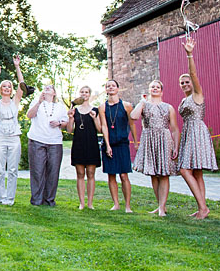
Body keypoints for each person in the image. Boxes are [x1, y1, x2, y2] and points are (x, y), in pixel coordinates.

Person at [176, 38, 218, 219]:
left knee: (185, 170)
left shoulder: (197, 95)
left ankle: (203, 207)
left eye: (187, 82)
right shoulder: (183, 100)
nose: (185, 84)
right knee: (197, 172)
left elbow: (193, 75)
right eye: (182, 83)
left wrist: (189, 55)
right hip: (187, 132)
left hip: (197, 131)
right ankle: (202, 207)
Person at [130, 80, 179, 217]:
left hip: (164, 139)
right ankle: (159, 205)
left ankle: (162, 207)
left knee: (164, 174)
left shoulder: (168, 107)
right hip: (149, 139)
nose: (155, 89)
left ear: (162, 91)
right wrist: (142, 101)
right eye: (152, 87)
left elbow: (174, 129)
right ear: (149, 90)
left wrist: (176, 146)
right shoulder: (145, 105)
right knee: (153, 174)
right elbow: (133, 117)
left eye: (157, 87)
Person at [26, 84, 68, 207]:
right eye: (45, 87)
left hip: (55, 142)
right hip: (37, 140)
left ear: (54, 93)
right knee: (37, 171)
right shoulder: (36, 101)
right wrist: (39, 102)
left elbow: (66, 122)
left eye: (50, 87)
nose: (47, 88)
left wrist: (59, 123)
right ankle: (36, 200)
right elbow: (29, 115)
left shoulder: (60, 106)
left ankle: (49, 200)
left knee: (53, 172)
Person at [0, 56, 25, 205]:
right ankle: (1, 197)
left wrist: (17, 66)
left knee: (12, 170)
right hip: (0, 137)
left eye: (8, 87)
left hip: (14, 137)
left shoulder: (15, 101)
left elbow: (22, 85)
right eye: (4, 86)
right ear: (1, 89)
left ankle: (10, 198)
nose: (6, 88)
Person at [98, 80, 136, 212]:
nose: (111, 88)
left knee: (124, 175)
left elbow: (131, 124)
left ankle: (127, 206)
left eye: (113, 86)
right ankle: (116, 204)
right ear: (106, 90)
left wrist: (135, 142)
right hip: (110, 144)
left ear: (118, 89)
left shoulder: (126, 106)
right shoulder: (102, 107)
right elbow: (104, 126)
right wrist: (107, 145)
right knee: (111, 175)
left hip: (122, 144)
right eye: (108, 86)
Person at [68, 85, 102, 210]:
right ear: (79, 94)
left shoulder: (95, 110)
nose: (84, 94)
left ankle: (90, 203)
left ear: (90, 94)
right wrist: (71, 118)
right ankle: (81, 203)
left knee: (91, 173)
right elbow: (69, 130)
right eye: (82, 92)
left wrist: (95, 118)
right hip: (78, 144)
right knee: (80, 173)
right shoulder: (75, 110)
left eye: (86, 92)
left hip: (91, 143)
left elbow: (99, 129)